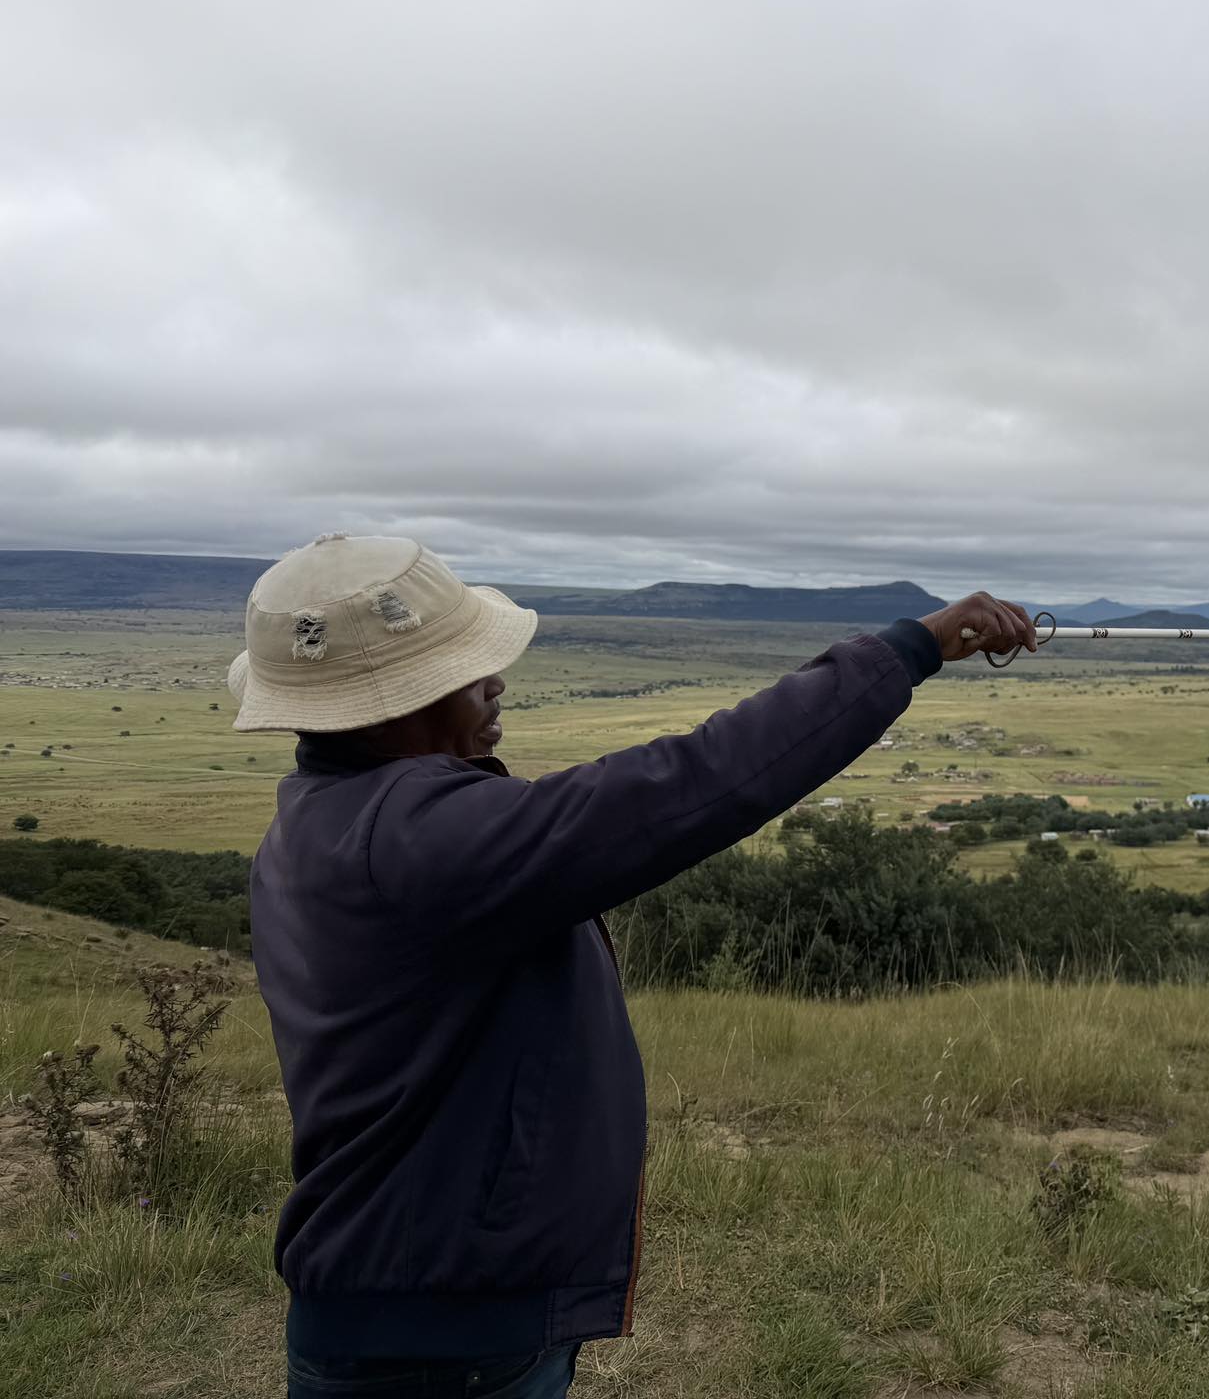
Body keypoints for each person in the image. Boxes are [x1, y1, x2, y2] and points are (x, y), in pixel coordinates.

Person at [230, 533, 1037, 1399]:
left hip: (408, 1300)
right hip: (441, 1333)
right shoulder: (422, 843)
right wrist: (909, 649)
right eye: (467, 668)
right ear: (392, 704)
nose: (495, 681)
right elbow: (695, 781)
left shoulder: (322, 819)